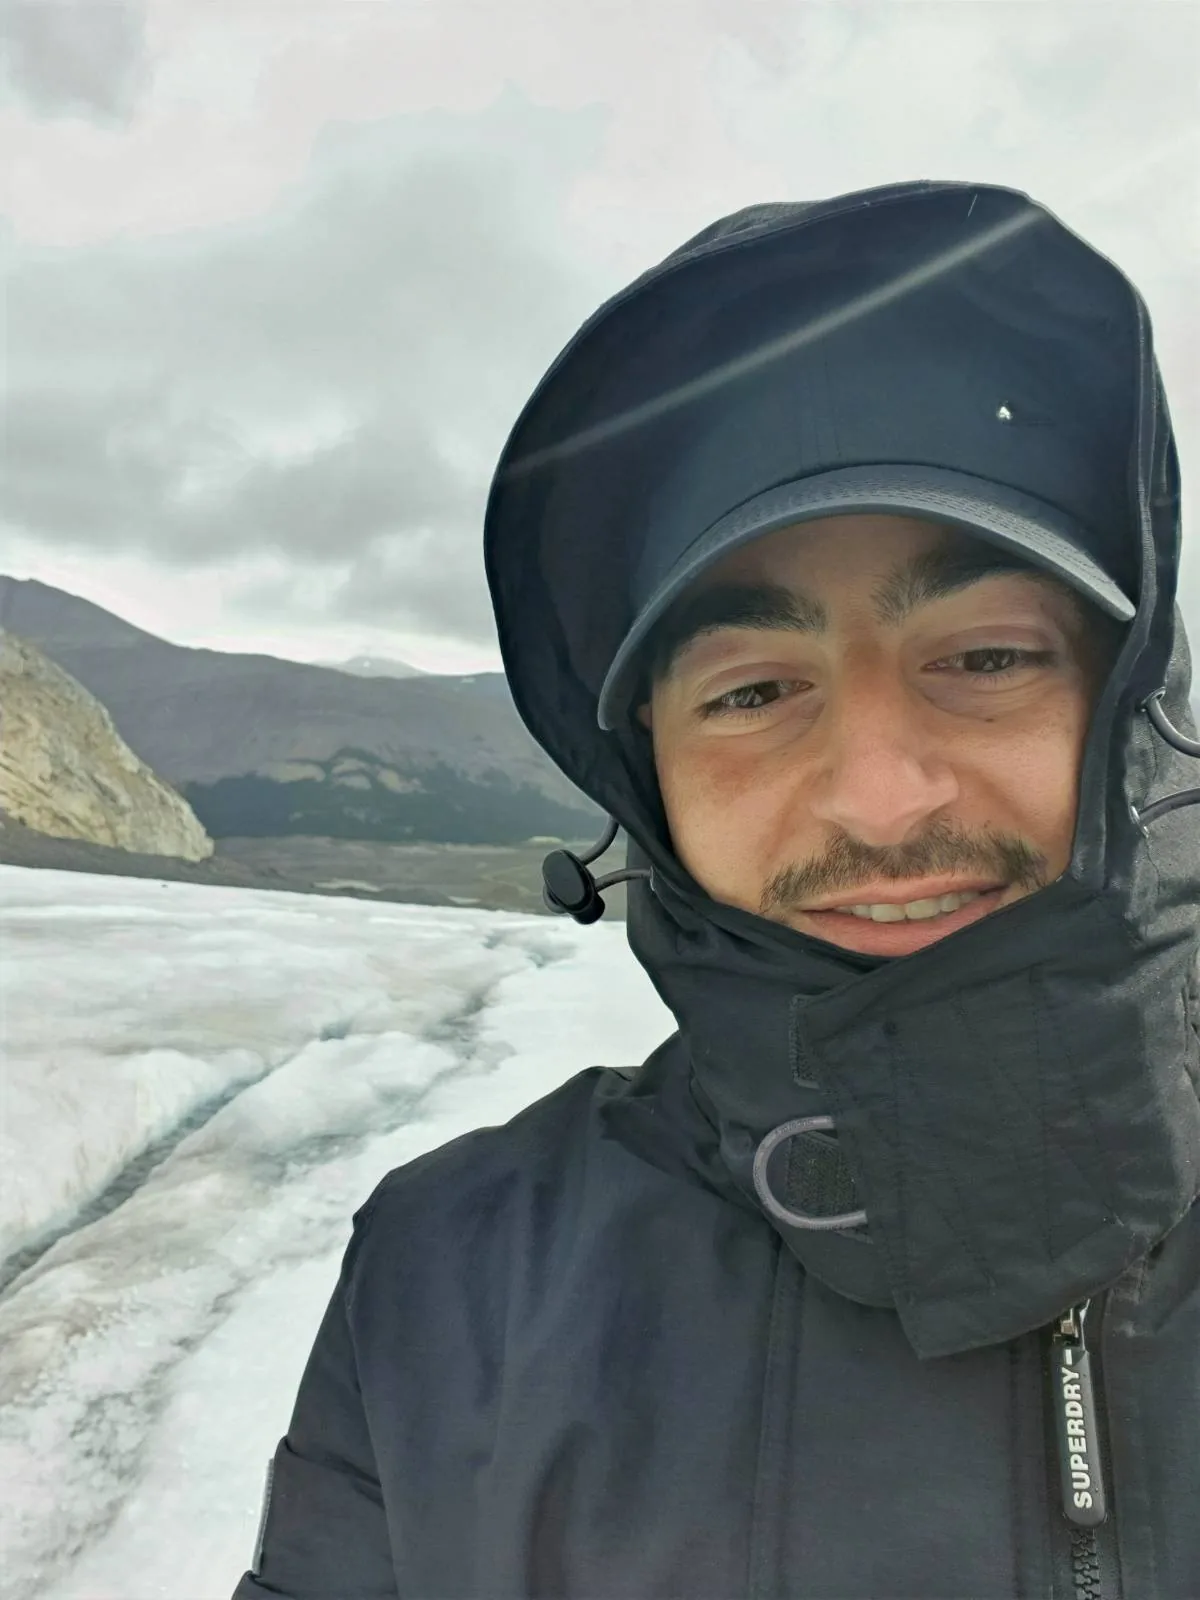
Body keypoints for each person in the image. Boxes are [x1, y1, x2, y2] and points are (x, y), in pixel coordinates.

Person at [233, 180, 1200, 1599]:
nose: (881, 796)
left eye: (986, 657)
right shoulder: (453, 1283)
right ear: (649, 779)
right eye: (753, 691)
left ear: (1131, 707)